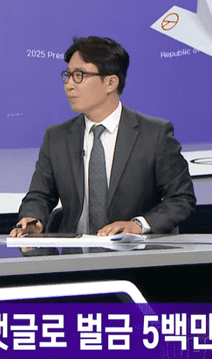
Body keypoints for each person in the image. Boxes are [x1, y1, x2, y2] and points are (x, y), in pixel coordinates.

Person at [10, 37, 195, 238]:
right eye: (68, 75)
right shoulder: (57, 137)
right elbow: (40, 195)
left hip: (134, 252)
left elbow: (181, 199)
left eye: (79, 75)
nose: (69, 85)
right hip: (75, 253)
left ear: (110, 83)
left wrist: (138, 225)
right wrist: (32, 218)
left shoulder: (154, 134)